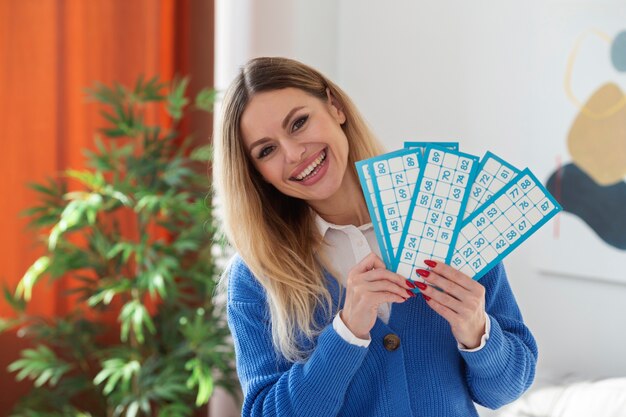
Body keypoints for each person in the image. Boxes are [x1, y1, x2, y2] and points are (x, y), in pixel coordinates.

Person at [213, 56, 537, 417]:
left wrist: (477, 330)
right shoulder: (256, 277)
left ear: (334, 106)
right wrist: (347, 332)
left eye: (299, 123)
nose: (293, 154)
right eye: (266, 150)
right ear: (257, 172)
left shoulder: (446, 214)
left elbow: (506, 389)